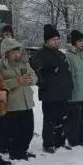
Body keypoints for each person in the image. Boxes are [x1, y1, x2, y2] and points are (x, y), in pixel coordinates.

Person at [0, 37, 37, 160]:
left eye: (18, 51)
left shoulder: (24, 63)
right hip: (12, 104)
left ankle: (23, 150)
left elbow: (34, 77)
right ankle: (15, 153)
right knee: (14, 132)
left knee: (28, 130)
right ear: (6, 52)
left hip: (27, 102)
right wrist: (16, 81)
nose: (16, 54)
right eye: (13, 52)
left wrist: (30, 80)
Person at [35, 24, 74, 153]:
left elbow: (67, 73)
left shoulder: (61, 55)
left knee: (63, 119)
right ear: (47, 41)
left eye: (58, 39)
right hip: (50, 94)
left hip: (63, 93)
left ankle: (60, 141)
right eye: (53, 39)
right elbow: (37, 74)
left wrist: (69, 87)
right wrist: (44, 84)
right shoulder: (40, 55)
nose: (56, 41)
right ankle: (48, 143)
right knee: (50, 120)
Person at [65, 30, 83, 147]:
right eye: (79, 41)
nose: (82, 44)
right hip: (75, 93)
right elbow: (69, 74)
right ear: (74, 43)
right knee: (74, 119)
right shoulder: (69, 56)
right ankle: (74, 140)